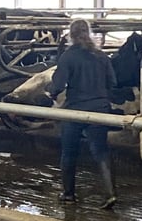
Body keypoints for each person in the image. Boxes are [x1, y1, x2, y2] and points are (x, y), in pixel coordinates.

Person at [48, 19, 118, 210]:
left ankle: (69, 195)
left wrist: (51, 92)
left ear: (70, 35)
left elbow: (57, 85)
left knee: (69, 152)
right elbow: (113, 82)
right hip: (100, 110)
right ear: (89, 33)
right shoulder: (101, 56)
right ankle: (110, 194)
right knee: (101, 151)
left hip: (75, 110)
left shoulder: (68, 57)